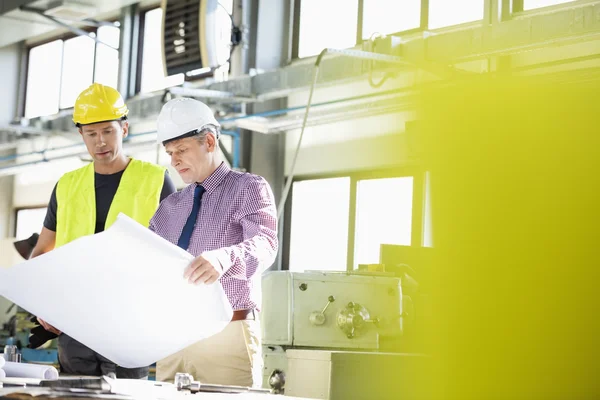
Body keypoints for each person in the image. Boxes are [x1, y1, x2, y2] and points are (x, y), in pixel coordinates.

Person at [29, 83, 177, 379]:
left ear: (124, 128)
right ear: (80, 134)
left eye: (108, 131)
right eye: (92, 133)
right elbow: (42, 251)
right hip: (75, 325)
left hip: (130, 326)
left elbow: (174, 256)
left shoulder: (156, 181)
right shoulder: (67, 185)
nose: (100, 142)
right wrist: (41, 303)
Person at [149, 97, 278, 387]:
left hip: (226, 333)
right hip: (171, 335)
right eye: (170, 152)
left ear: (209, 141)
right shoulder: (169, 208)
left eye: (181, 149)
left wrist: (224, 258)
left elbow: (265, 243)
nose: (174, 160)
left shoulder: (249, 188)